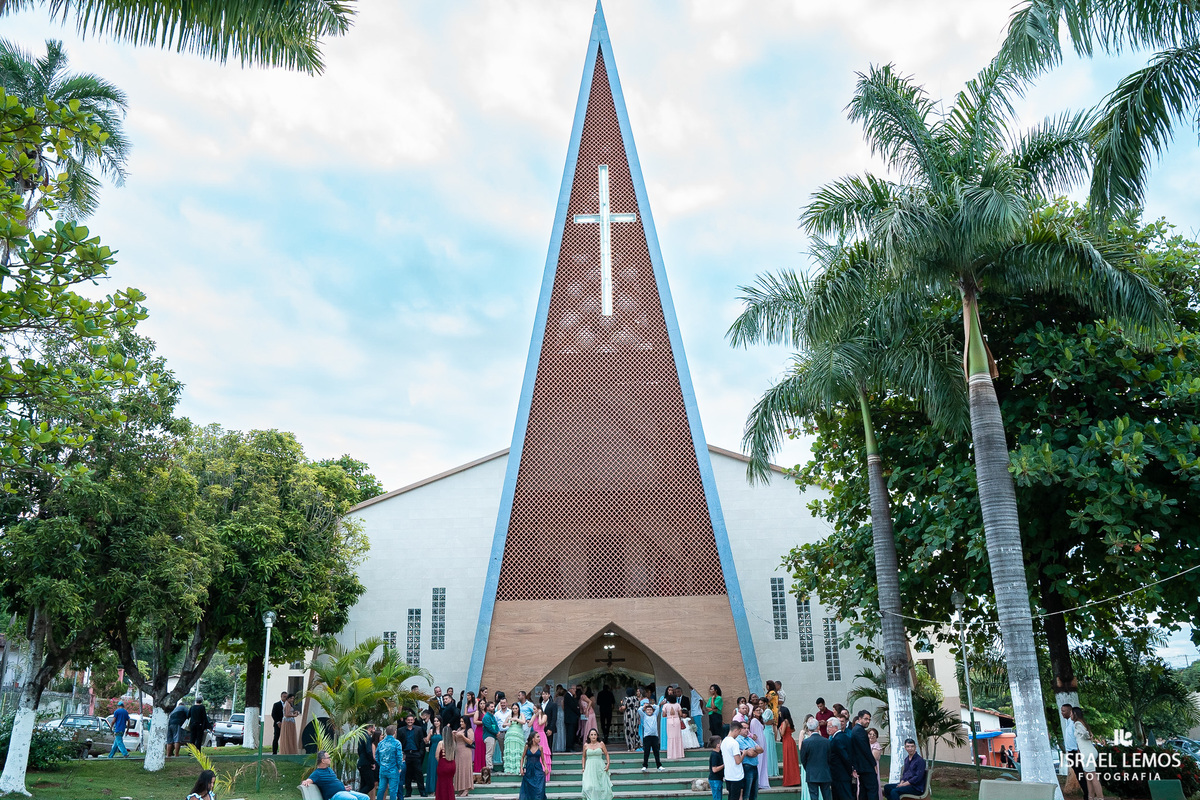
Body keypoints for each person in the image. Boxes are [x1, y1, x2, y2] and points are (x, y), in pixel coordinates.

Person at [302, 750, 371, 800]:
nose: (330, 759)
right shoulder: (317, 773)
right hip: (334, 795)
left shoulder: (329, 769)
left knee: (365, 798)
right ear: (323, 760)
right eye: (328, 758)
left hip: (343, 791)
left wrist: (344, 787)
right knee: (353, 799)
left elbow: (334, 782)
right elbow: (309, 780)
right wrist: (305, 782)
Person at [1072, 707, 1104, 800]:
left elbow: (1085, 734)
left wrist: (1087, 736)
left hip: (1087, 753)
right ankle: (1091, 797)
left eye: (1071, 714)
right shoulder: (1083, 723)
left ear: (1075, 714)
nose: (1070, 716)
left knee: (1092, 776)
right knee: (1088, 777)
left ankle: (1100, 797)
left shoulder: (1078, 723)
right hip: (1088, 751)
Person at [1062, 704, 1089, 800]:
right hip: (1071, 753)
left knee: (1082, 775)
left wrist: (1079, 751)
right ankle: (1087, 794)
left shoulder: (1074, 724)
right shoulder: (1068, 723)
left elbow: (1080, 738)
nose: (1062, 713)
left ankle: (1088, 795)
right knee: (1079, 775)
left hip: (1076, 753)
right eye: (1061, 711)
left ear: (1070, 712)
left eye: (1064, 711)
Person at [801, 719, 832, 800]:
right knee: (827, 796)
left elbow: (803, 759)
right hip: (824, 772)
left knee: (814, 796)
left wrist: (808, 768)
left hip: (812, 773)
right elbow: (830, 758)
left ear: (808, 728)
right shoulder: (826, 741)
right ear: (818, 727)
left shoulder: (806, 742)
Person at [850, 712, 878, 800]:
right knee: (871, 791)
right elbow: (865, 749)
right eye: (866, 719)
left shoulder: (856, 730)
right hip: (866, 767)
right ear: (860, 719)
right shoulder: (859, 731)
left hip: (862, 766)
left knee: (864, 791)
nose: (868, 721)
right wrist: (874, 764)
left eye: (869, 719)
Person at [399, 713, 427, 797]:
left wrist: (420, 753)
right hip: (406, 754)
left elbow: (422, 742)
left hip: (416, 753)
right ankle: (408, 792)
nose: (410, 721)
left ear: (414, 720)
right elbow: (399, 743)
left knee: (419, 773)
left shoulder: (418, 729)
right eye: (408, 720)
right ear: (405, 721)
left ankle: (422, 791)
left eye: (411, 720)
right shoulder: (401, 730)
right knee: (408, 774)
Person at [736, 715, 764, 800]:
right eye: (744, 728)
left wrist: (754, 750)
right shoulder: (738, 740)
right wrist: (755, 750)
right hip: (747, 767)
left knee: (754, 793)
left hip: (754, 766)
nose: (747, 730)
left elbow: (761, 750)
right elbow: (750, 753)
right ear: (739, 729)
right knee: (746, 793)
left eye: (747, 728)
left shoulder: (749, 739)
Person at [581, 728, 613, 800]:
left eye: (595, 734)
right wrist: (583, 767)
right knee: (588, 786)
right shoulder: (586, 745)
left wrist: (608, 764)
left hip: (599, 767)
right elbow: (583, 757)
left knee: (601, 786)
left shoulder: (601, 744)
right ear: (589, 736)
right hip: (589, 767)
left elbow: (606, 754)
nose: (593, 736)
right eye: (591, 735)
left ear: (597, 736)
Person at [721, 719, 748, 800]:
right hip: (736, 775)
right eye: (739, 732)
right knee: (735, 797)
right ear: (735, 730)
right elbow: (738, 761)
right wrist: (744, 754)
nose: (738, 734)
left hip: (728, 774)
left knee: (731, 796)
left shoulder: (724, 741)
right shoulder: (734, 743)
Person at [827, 718, 854, 800]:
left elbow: (845, 757)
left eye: (829, 726)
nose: (827, 729)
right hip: (842, 774)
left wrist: (850, 769)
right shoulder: (844, 737)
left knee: (844, 796)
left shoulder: (837, 740)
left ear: (836, 727)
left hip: (840, 775)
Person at [378, 725, 405, 800]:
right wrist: (399, 767)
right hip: (393, 769)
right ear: (394, 732)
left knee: (381, 788)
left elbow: (377, 756)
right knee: (393, 790)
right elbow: (399, 757)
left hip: (383, 768)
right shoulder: (397, 743)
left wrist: (381, 764)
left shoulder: (381, 743)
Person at [519, 732, 547, 800]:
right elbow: (522, 757)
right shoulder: (527, 747)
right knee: (528, 787)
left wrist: (546, 767)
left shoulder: (540, 748)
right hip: (529, 769)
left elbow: (543, 759)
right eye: (537, 737)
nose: (539, 738)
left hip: (538, 768)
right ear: (533, 738)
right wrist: (521, 768)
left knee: (539, 787)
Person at [531, 696, 552, 777]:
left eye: (535, 709)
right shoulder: (534, 716)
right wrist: (534, 716)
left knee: (543, 753)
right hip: (534, 735)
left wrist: (539, 714)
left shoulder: (544, 716)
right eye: (533, 709)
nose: (534, 711)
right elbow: (529, 725)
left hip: (541, 735)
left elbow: (540, 723)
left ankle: (545, 773)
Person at [779, 708, 801, 788]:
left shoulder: (784, 722)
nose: (779, 713)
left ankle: (789, 781)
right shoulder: (789, 721)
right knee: (793, 761)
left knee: (788, 761)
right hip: (791, 741)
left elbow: (782, 733)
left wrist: (779, 728)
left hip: (787, 742)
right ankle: (795, 780)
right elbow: (793, 730)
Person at [640, 697, 663, 772]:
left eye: (650, 710)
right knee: (646, 752)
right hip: (647, 737)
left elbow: (657, 707)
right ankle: (645, 766)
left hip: (655, 736)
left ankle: (659, 765)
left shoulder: (655, 715)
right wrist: (644, 706)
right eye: (647, 710)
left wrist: (651, 705)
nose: (649, 711)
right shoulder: (644, 716)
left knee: (656, 751)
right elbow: (639, 710)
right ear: (645, 711)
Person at [453, 717, 474, 796]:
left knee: (465, 769)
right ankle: (460, 788)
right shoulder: (459, 729)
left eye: (463, 722)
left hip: (466, 752)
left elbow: (470, 741)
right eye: (460, 721)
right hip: (458, 752)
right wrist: (454, 735)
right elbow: (455, 740)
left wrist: (462, 736)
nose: (461, 723)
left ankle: (466, 788)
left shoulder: (469, 730)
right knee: (459, 769)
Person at [504, 701, 527, 775]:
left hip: (518, 735)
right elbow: (503, 724)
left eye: (516, 708)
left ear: (518, 709)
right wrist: (508, 723)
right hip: (510, 735)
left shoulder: (521, 715)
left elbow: (524, 722)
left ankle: (519, 768)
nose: (514, 710)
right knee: (510, 751)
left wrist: (516, 719)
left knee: (518, 751)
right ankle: (509, 768)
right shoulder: (509, 715)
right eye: (513, 708)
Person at [435, 726, 457, 800]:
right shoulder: (453, 743)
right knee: (450, 784)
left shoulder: (441, 743)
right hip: (452, 764)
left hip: (443, 764)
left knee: (441, 784)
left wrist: (441, 762)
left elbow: (437, 755)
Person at [357, 723, 378, 797]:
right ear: (370, 728)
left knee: (364, 784)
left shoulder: (361, 736)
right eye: (374, 728)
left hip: (361, 762)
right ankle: (357, 797)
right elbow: (369, 751)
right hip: (366, 763)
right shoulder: (367, 737)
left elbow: (359, 750)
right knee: (370, 784)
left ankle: (359, 796)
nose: (374, 731)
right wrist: (372, 762)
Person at [663, 690, 685, 760]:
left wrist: (669, 713)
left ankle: (671, 754)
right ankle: (679, 753)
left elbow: (663, 715)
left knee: (670, 737)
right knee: (678, 736)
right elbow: (681, 714)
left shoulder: (666, 705)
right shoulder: (678, 705)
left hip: (669, 720)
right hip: (676, 720)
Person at [424, 716, 443, 792]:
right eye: (435, 721)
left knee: (440, 769)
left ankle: (440, 789)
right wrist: (428, 736)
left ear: (440, 722)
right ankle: (432, 789)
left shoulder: (443, 730)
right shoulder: (432, 730)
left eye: (437, 721)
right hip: (433, 750)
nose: (436, 722)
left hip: (441, 750)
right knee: (432, 769)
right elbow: (426, 741)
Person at [482, 702, 499, 777]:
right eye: (491, 706)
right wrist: (496, 732)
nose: (493, 708)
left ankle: (490, 766)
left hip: (493, 736)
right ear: (487, 707)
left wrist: (497, 731)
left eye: (494, 706)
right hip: (489, 736)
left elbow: (496, 725)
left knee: (491, 752)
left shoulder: (492, 716)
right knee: (489, 753)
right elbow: (489, 727)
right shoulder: (486, 717)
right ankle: (489, 767)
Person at [707, 735, 726, 800]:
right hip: (715, 779)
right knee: (717, 797)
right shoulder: (714, 755)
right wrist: (724, 765)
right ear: (718, 745)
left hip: (718, 779)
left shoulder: (718, 753)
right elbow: (714, 769)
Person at [563, 686, 580, 752]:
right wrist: (578, 710)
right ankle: (569, 747)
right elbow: (574, 706)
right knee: (570, 733)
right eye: (574, 689)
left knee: (572, 733)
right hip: (570, 719)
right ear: (570, 689)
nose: (575, 690)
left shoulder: (571, 697)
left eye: (575, 689)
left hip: (572, 719)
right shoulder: (567, 696)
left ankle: (571, 746)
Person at [868, 729, 883, 800]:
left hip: (873, 768)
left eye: (874, 734)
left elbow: (873, 758)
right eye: (870, 734)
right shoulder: (866, 744)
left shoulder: (876, 746)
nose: (872, 736)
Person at [271, 690, 287, 755]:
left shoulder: (288, 705)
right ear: (281, 697)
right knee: (276, 738)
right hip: (278, 724)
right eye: (284, 697)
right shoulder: (276, 704)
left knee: (285, 738)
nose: (285, 698)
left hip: (286, 724)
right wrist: (278, 722)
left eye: (286, 697)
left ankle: (284, 751)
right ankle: (274, 752)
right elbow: (273, 714)